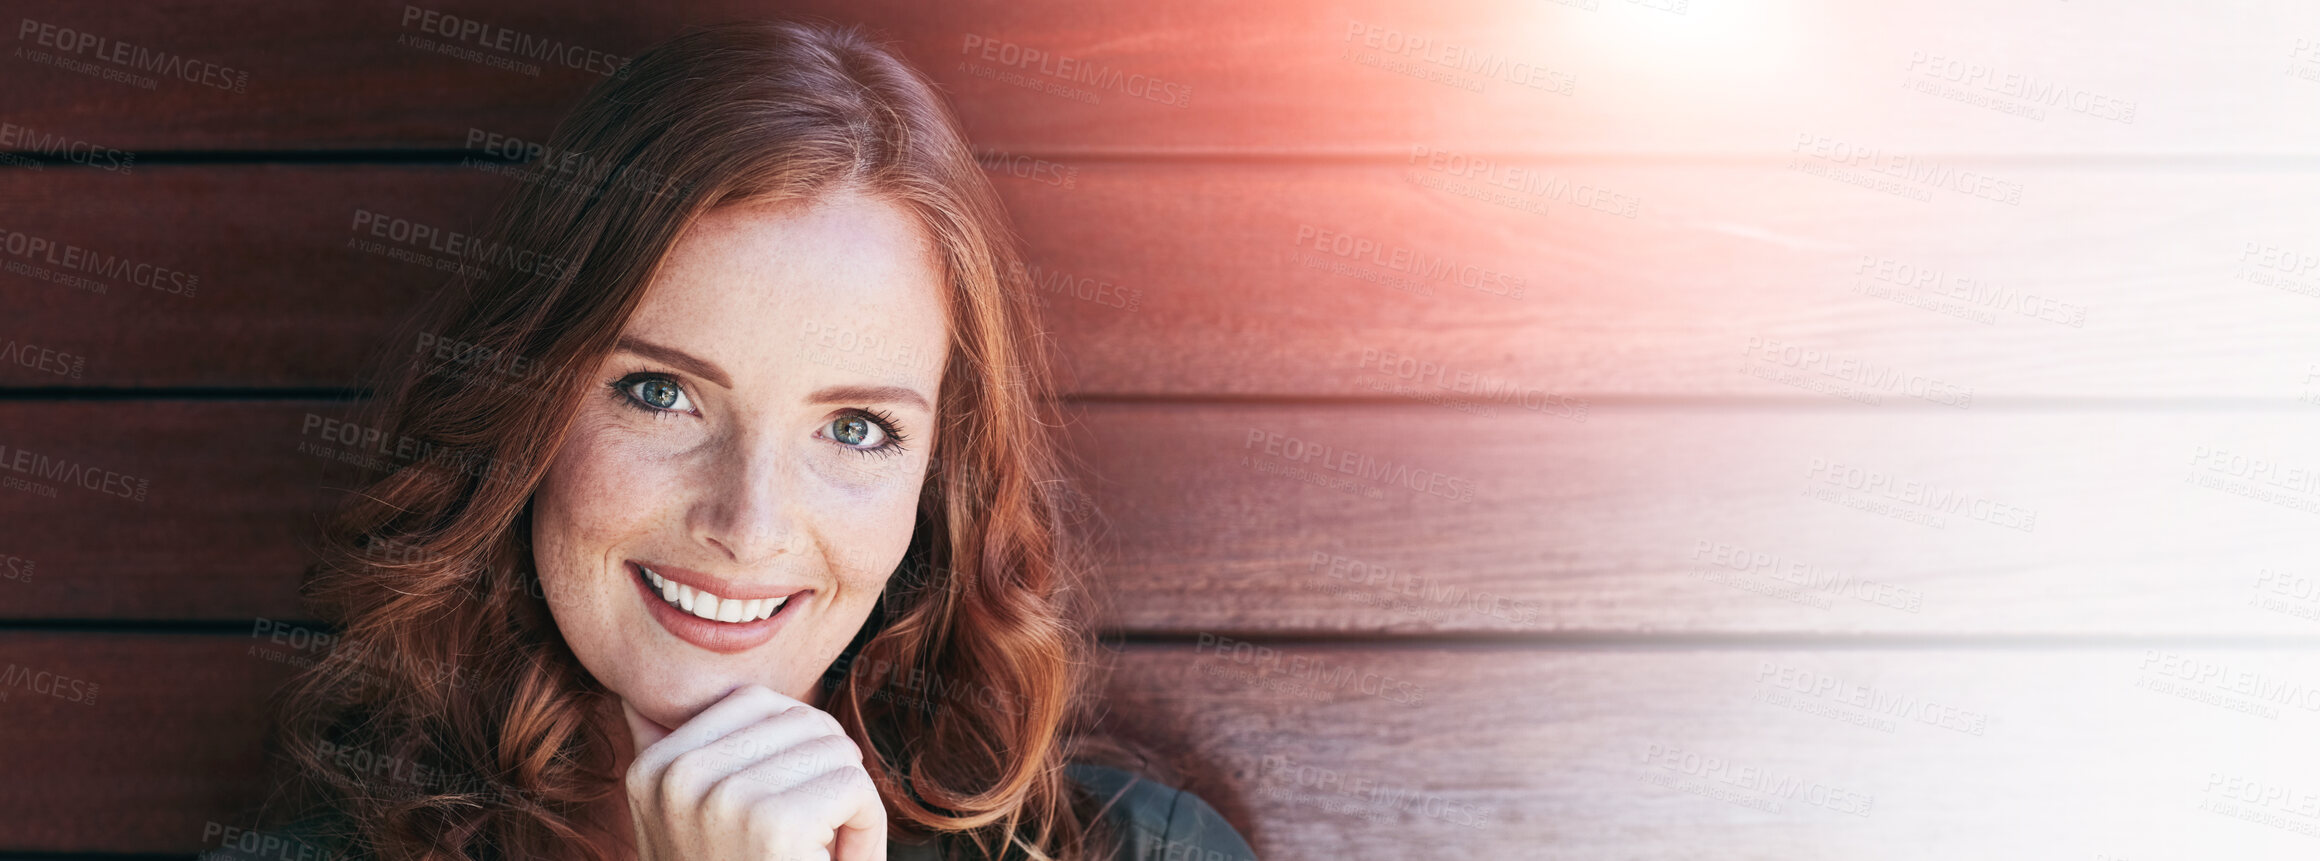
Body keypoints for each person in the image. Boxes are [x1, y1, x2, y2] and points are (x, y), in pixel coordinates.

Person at [218, 19, 1256, 861]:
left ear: (937, 482)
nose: (747, 524)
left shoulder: (1147, 852)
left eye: (855, 428)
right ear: (524, 404)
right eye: (661, 393)